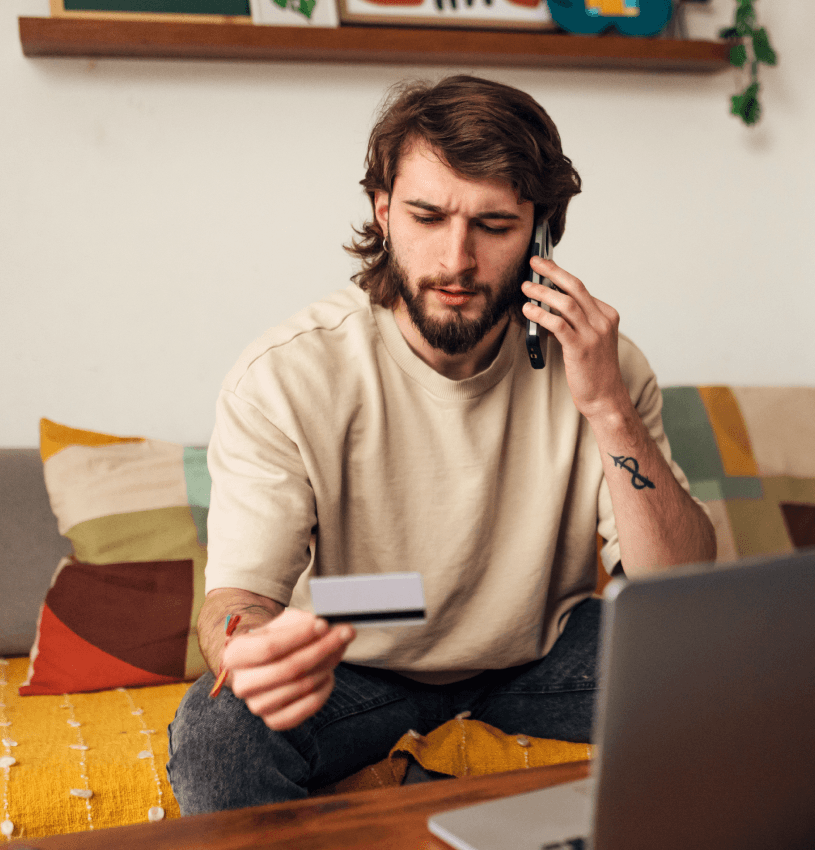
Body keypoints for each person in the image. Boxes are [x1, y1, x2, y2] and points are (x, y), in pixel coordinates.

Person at [167, 75, 716, 814]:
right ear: (384, 212)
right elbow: (239, 601)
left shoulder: (600, 367)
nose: (456, 261)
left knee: (742, 667)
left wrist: (608, 409)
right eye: (428, 217)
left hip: (535, 649)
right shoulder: (288, 375)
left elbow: (676, 589)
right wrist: (245, 648)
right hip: (357, 657)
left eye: (494, 226)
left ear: (542, 232)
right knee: (216, 730)